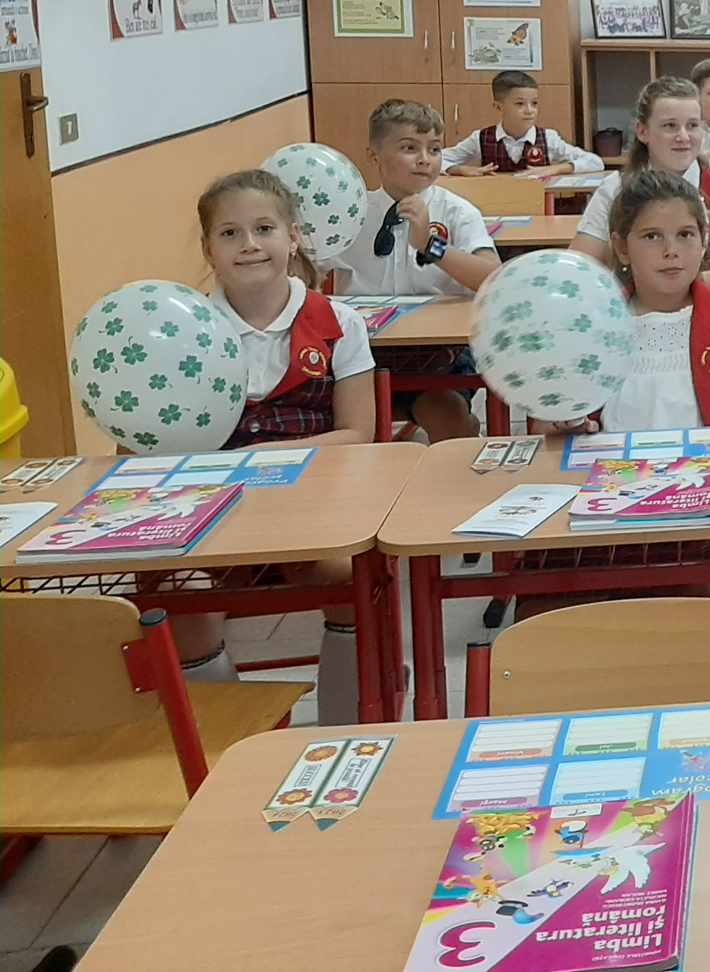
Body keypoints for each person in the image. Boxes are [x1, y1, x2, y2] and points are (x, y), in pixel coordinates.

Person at [182, 169, 377, 718]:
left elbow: (358, 434)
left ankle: (342, 722)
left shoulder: (339, 322)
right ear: (209, 250)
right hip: (214, 513)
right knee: (180, 593)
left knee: (349, 576)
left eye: (264, 229)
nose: (248, 244)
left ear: (293, 238)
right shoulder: (185, 331)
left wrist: (275, 456)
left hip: (314, 507)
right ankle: (231, 733)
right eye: (229, 234)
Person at [560, 169, 710, 603]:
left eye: (685, 235)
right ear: (621, 247)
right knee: (555, 614)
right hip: (605, 514)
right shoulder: (591, 327)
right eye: (651, 237)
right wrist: (565, 422)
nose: (671, 251)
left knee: (706, 603)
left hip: (708, 515)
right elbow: (552, 434)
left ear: (704, 242)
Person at [328, 99, 499, 443]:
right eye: (409, 148)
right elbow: (305, 272)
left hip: (438, 354)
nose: (425, 159)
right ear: (374, 156)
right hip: (362, 354)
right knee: (345, 426)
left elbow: (494, 278)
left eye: (434, 149)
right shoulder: (348, 213)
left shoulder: (456, 211)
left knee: (448, 421)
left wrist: (431, 247)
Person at [571, 77, 710, 295]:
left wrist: (683, 288)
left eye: (692, 126)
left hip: (701, 306)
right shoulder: (615, 188)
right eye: (670, 126)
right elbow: (580, 265)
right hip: (634, 308)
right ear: (642, 131)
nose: (683, 137)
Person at [443, 70, 605, 178]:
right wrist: (459, 169)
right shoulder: (480, 138)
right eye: (520, 104)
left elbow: (595, 162)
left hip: (540, 207)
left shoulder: (548, 138)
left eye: (534, 103)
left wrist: (554, 169)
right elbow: (437, 159)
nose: (529, 110)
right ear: (499, 107)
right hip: (495, 207)